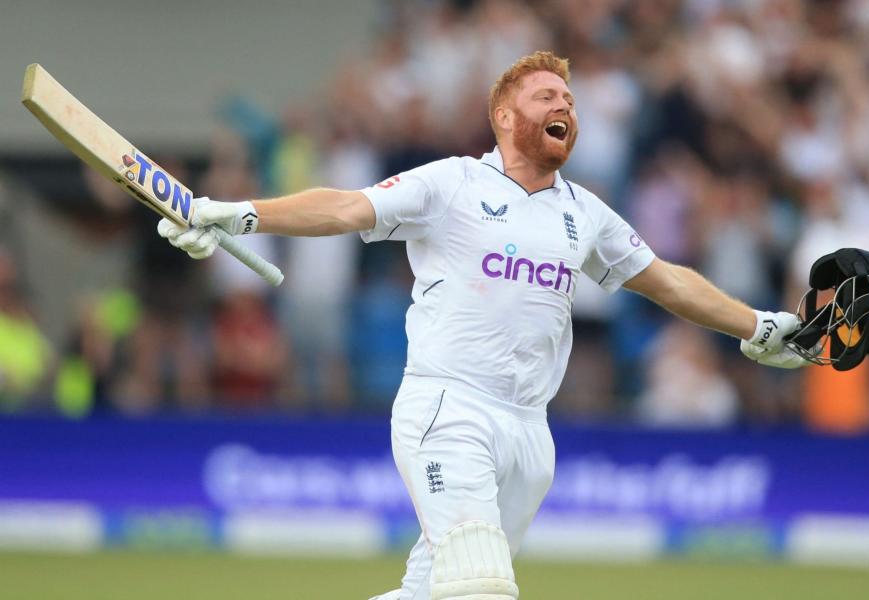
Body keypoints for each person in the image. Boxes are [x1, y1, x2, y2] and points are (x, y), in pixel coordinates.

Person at [158, 51, 805, 600]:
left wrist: (761, 326)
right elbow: (346, 207)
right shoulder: (453, 183)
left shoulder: (586, 212)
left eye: (570, 99)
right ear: (503, 116)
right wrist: (238, 213)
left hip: (529, 435)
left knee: (433, 592)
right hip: (450, 408)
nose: (566, 107)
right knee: (480, 587)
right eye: (547, 95)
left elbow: (665, 279)